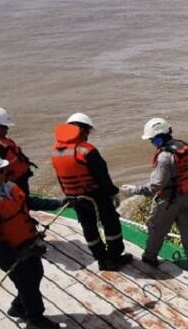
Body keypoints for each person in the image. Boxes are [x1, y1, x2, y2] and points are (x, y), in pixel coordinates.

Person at [0, 151, 64, 329]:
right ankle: (35, 319)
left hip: (27, 243)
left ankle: (18, 307)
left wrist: (58, 203)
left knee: (35, 275)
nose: (6, 173)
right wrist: (14, 255)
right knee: (27, 284)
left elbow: (28, 201)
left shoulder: (6, 188)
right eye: (2, 171)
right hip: (11, 252)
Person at [50, 112, 133, 271]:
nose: (88, 135)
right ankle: (114, 257)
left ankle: (101, 259)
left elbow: (61, 176)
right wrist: (113, 193)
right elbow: (102, 175)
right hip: (95, 196)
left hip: (75, 197)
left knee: (89, 227)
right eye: (87, 131)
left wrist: (69, 195)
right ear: (81, 130)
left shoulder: (56, 151)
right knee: (111, 224)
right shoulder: (86, 150)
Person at [121, 118, 188, 272]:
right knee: (187, 230)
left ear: (159, 138)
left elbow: (155, 186)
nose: (152, 143)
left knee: (156, 228)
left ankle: (150, 257)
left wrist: (133, 189)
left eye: (152, 140)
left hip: (168, 201)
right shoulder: (185, 147)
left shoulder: (164, 157)